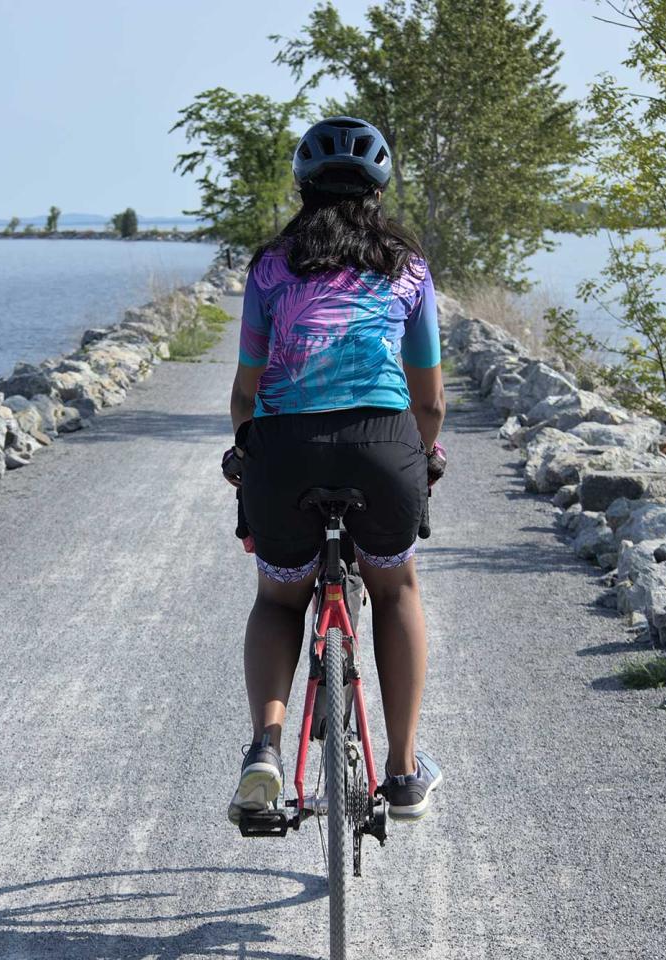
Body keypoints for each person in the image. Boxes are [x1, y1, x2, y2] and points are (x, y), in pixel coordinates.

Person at [221, 116, 447, 824]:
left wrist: (245, 448)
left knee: (279, 600)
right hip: (383, 447)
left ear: (303, 187)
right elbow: (430, 399)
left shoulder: (269, 268)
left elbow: (244, 391)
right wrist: (426, 455)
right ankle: (404, 772)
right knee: (398, 587)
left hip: (284, 449)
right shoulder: (407, 269)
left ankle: (265, 747)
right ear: (379, 190)